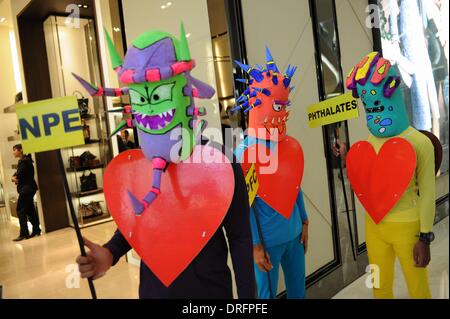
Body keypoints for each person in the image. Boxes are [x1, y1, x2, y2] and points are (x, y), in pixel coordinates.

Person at [74, 24, 255, 298]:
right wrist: (110, 253)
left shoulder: (221, 163)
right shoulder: (139, 165)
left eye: (159, 94)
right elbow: (139, 221)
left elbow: (240, 238)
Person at [346, 52, 437, 298]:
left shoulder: (419, 142)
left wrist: (425, 237)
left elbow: (428, 191)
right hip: (374, 227)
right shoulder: (368, 142)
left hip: (409, 228)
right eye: (367, 102)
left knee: (418, 289)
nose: (372, 107)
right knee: (379, 286)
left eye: (375, 99)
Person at [233, 47, 308, 299]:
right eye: (277, 105)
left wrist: (305, 221)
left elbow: (294, 185)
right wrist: (255, 245)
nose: (283, 112)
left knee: (299, 290)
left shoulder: (288, 145)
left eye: (285, 105)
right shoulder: (245, 152)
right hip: (268, 242)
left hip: (294, 234)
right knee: (266, 296)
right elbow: (246, 205)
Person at [11, 144, 40, 241]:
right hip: (29, 189)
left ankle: (24, 233)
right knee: (30, 210)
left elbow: (18, 176)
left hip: (26, 190)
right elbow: (17, 174)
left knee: (20, 210)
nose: (13, 152)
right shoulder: (25, 161)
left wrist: (14, 178)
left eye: (15, 150)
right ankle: (36, 230)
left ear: (20, 150)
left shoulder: (24, 161)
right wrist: (14, 177)